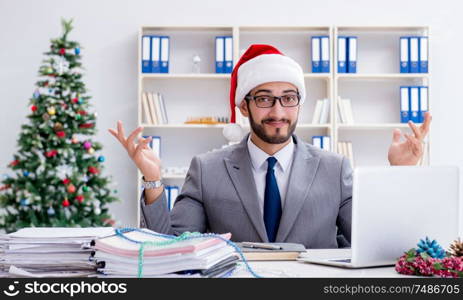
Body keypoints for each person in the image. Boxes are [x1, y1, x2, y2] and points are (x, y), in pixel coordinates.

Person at [109, 44, 431, 248]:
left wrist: (400, 174)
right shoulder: (207, 169)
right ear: (244, 106)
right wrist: (153, 179)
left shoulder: (335, 168)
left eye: (288, 99)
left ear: (299, 104)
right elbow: (171, 247)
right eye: (264, 99)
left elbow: (373, 242)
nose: (278, 112)